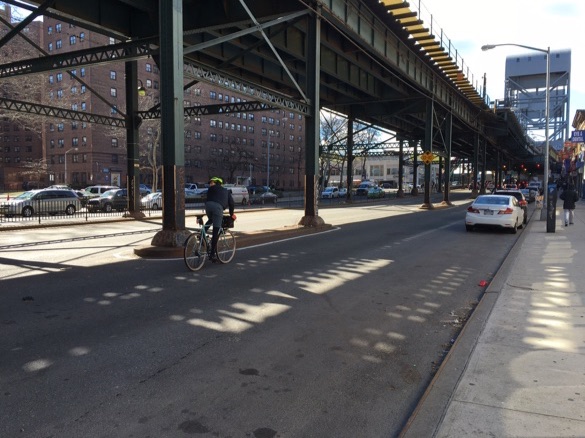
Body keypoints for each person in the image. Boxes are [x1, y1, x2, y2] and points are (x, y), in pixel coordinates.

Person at [204, 177, 235, 260]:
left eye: (212, 182)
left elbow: (207, 198)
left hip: (208, 206)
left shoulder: (210, 189)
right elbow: (231, 204)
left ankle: (202, 235)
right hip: (218, 208)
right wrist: (231, 214)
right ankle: (212, 254)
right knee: (215, 232)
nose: (210, 184)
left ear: (216, 183)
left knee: (211, 219)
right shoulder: (226, 191)